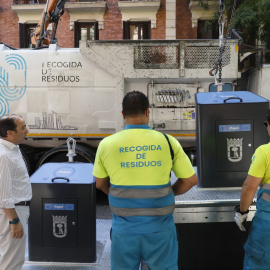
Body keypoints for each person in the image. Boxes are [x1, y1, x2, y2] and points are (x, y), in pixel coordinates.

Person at [93, 91, 198, 270]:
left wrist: (118, 194)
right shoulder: (168, 142)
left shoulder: (106, 144)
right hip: (160, 231)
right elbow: (190, 181)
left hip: (124, 233)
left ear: (123, 114)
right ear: (148, 112)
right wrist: (168, 191)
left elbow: (100, 184)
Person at [235, 109, 270, 269]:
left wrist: (242, 212)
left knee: (259, 263)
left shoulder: (264, 152)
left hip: (267, 225)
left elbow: (249, 187)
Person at [0, 114, 32, 270]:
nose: (27, 131)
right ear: (9, 133)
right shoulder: (4, 155)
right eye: (23, 127)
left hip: (16, 209)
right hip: (13, 212)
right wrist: (14, 221)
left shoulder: (12, 148)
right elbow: (3, 192)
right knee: (12, 261)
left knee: (8, 256)